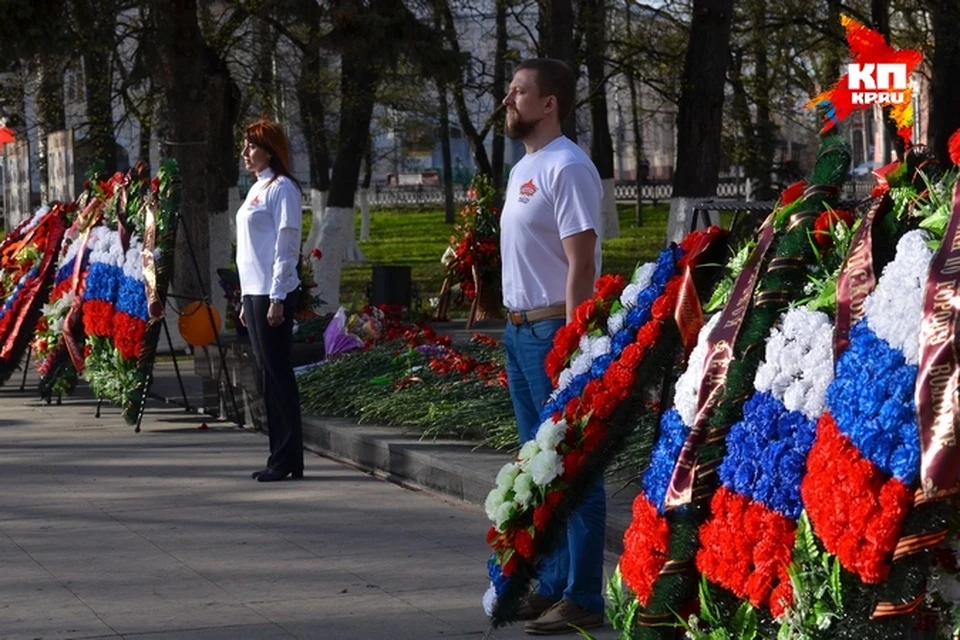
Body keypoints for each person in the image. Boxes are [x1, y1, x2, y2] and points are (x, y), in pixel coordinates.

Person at [499, 59, 606, 635]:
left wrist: (574, 338)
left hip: (550, 332)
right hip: (518, 332)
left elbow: (581, 262)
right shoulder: (524, 168)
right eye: (510, 90)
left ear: (550, 104)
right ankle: (552, 584)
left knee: (572, 465)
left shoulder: (568, 166)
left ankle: (585, 593)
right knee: (537, 464)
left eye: (520, 91)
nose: (509, 99)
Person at [236, 119, 305, 482]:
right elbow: (250, 250)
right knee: (268, 376)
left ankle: (287, 459)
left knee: (278, 375)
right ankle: (279, 454)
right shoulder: (256, 188)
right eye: (245, 146)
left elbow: (285, 244)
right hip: (254, 292)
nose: (246, 153)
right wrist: (244, 298)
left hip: (272, 292)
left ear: (270, 149)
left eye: (252, 146)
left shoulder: (283, 189)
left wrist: (278, 296)